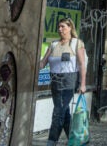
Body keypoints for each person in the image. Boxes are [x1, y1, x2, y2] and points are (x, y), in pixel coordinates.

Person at [38, 17, 87, 146]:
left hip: (69, 81)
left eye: (63, 27)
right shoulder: (54, 44)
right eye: (59, 27)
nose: (60, 29)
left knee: (58, 111)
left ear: (70, 28)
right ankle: (75, 139)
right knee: (63, 112)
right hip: (55, 81)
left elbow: (82, 64)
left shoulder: (77, 43)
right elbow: (43, 63)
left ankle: (51, 141)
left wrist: (82, 84)